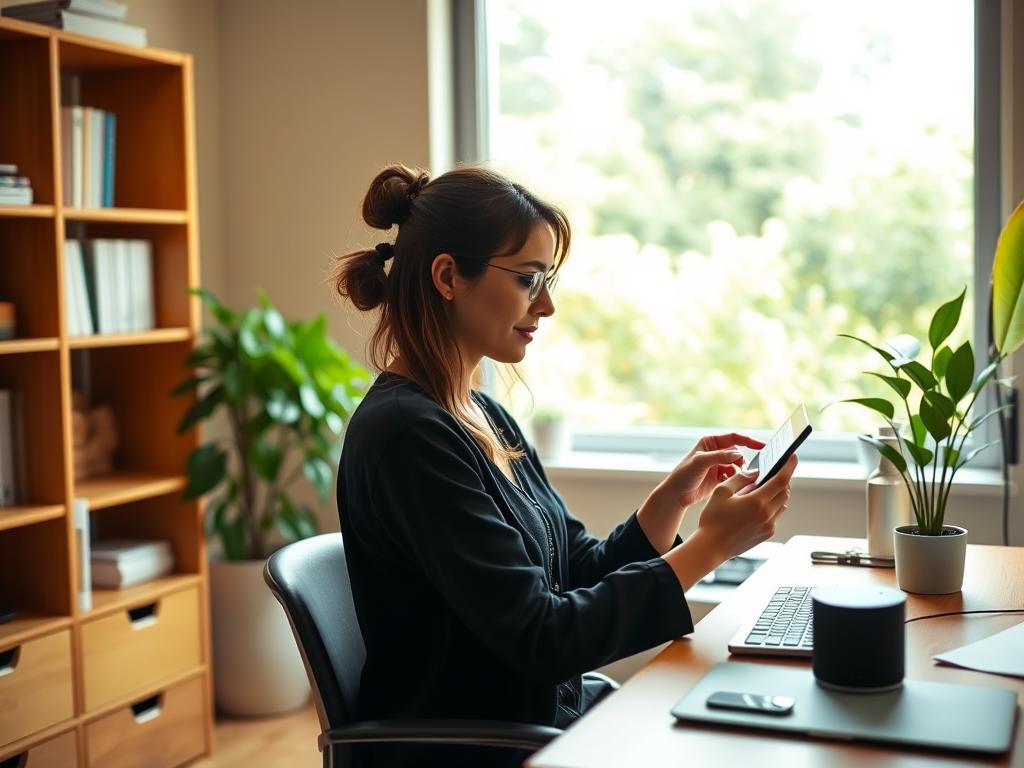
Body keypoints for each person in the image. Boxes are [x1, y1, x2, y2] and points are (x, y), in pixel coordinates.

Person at [332, 163, 796, 767]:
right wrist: (710, 547)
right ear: (447, 276)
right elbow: (543, 639)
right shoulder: (407, 437)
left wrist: (670, 502)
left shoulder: (480, 412)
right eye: (528, 279)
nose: (546, 305)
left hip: (538, 728)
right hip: (476, 751)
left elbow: (575, 569)